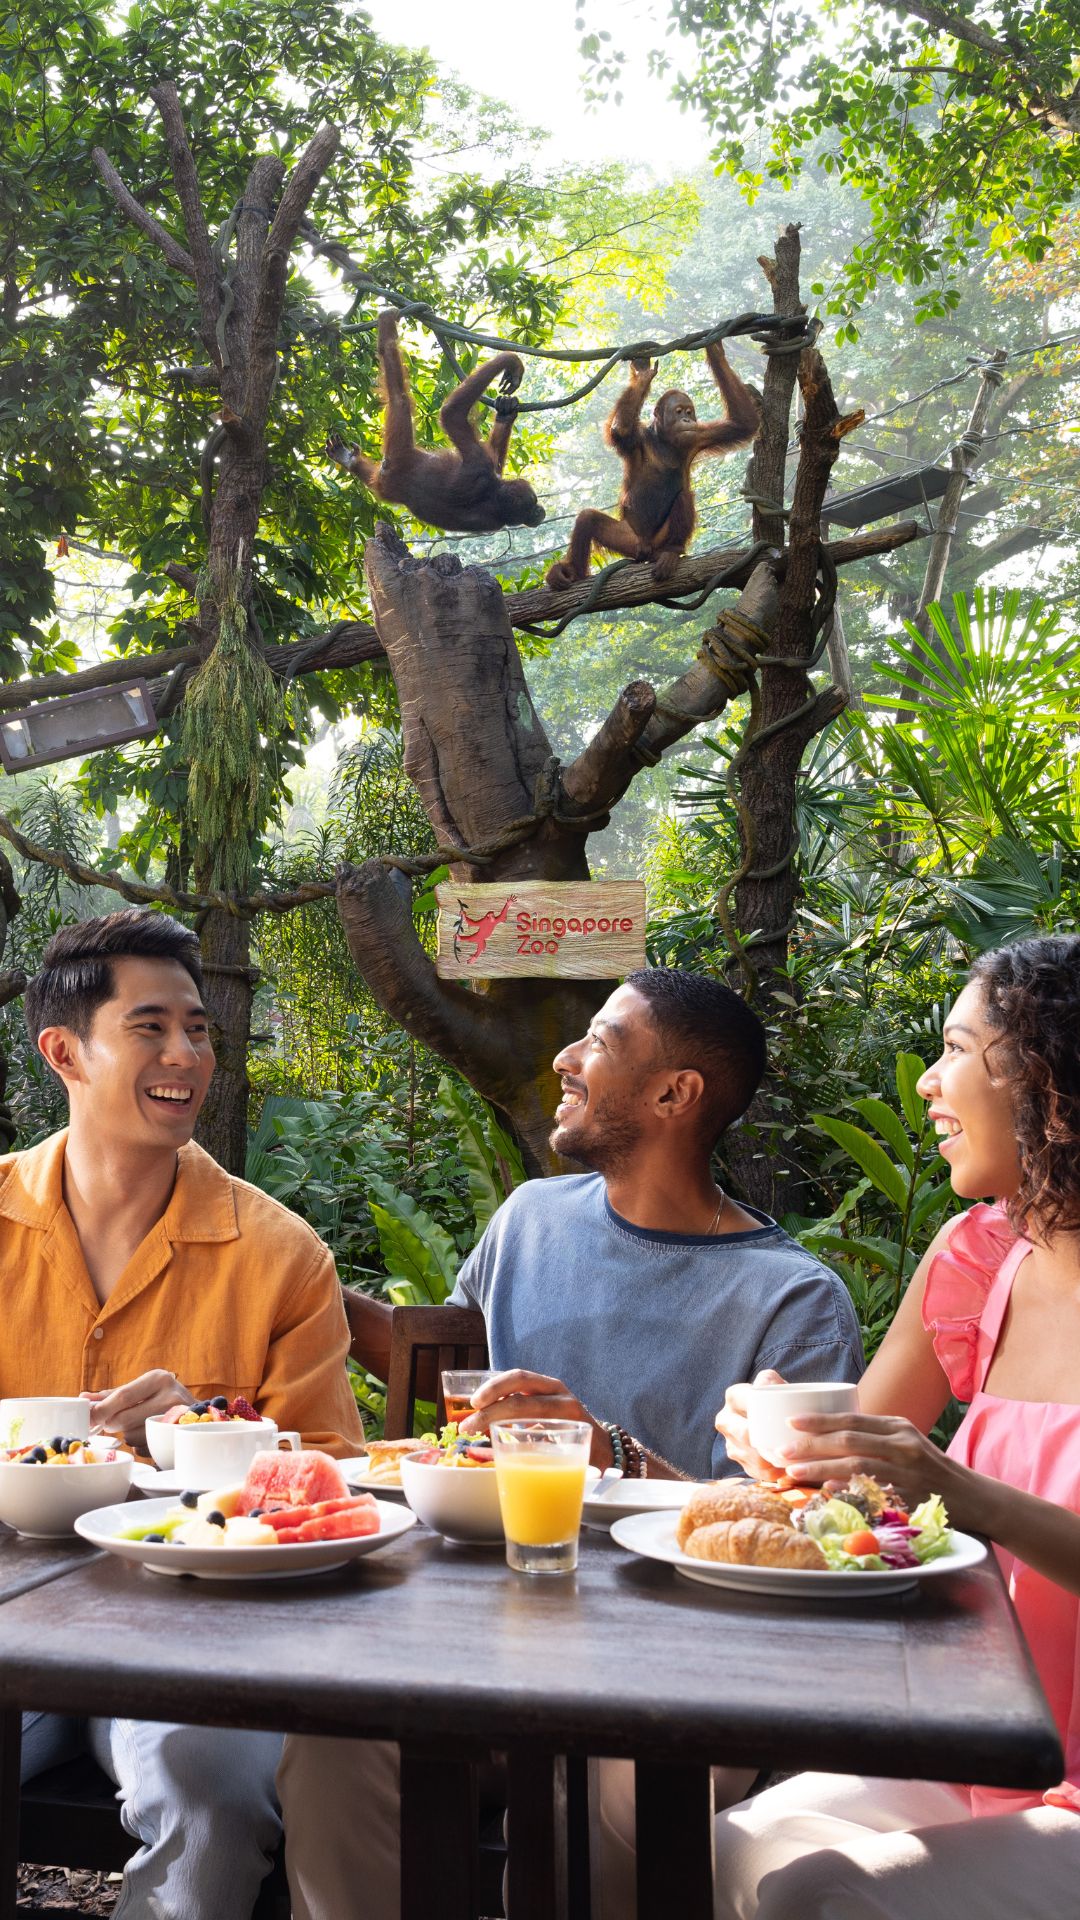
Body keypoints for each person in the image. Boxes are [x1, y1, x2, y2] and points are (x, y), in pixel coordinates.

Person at [279, 966, 864, 1918]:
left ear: (676, 1095)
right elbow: (452, 1378)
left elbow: (795, 1536)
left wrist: (612, 1452)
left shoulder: (791, 1297)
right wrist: (296, 1277)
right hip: (481, 1634)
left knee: (600, 1790)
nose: (565, 1056)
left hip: (681, 1667)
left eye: (600, 1039)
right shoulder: (531, 1219)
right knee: (334, 1749)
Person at [706, 933, 1080, 1919]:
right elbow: (865, 1485)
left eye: (955, 1050)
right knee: (730, 1848)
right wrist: (793, 1451)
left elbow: (940, 1491)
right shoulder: (979, 1259)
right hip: (985, 1750)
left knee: (822, 1896)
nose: (927, 1084)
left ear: (1050, 1079)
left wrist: (963, 1497)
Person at [4, 908, 364, 1920]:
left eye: (199, 1030)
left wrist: (211, 1434)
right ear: (66, 1051)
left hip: (196, 1639)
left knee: (212, 1791)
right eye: (152, 1027)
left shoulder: (280, 1254)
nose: (187, 1056)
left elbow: (339, 1487)